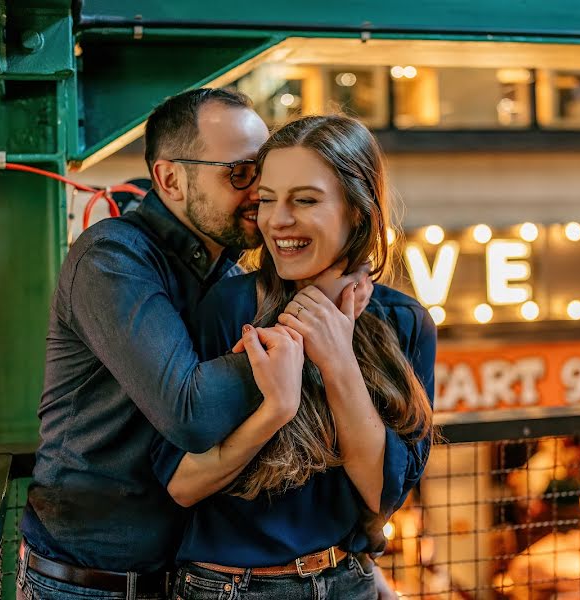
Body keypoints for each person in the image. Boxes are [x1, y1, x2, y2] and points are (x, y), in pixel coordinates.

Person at [17, 89, 372, 600]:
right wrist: (315, 313)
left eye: (263, 173)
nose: (259, 193)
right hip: (89, 582)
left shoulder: (229, 272)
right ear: (169, 179)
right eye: (240, 173)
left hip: (187, 576)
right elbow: (193, 412)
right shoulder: (112, 258)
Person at [151, 114, 437, 600]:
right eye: (266, 200)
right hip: (231, 586)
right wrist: (277, 400)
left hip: (348, 579)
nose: (277, 220)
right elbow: (180, 482)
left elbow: (382, 494)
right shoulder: (229, 306)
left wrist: (338, 358)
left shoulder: (405, 321)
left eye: (304, 200)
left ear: (358, 210)